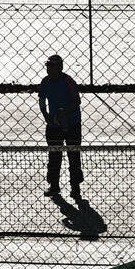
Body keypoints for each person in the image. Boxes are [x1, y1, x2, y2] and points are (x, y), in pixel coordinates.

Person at [38, 54, 84, 200]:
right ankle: (54, 185)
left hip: (72, 123)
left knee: (74, 156)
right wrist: (45, 114)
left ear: (60, 67)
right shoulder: (45, 82)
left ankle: (75, 188)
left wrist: (64, 113)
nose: (49, 69)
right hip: (54, 124)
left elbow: (77, 101)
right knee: (54, 155)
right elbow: (41, 99)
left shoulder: (68, 81)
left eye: (52, 66)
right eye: (48, 66)